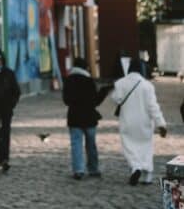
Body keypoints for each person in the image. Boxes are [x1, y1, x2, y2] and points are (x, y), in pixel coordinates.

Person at [112, 57, 167, 185]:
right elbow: (153, 107)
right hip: (144, 122)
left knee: (129, 146)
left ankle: (135, 167)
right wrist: (161, 123)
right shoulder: (147, 86)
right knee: (146, 147)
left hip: (127, 122)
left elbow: (116, 98)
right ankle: (148, 176)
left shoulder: (120, 83)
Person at [62, 57, 111, 179]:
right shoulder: (89, 81)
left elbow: (66, 100)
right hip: (89, 117)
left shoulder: (68, 80)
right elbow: (95, 101)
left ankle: (78, 170)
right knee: (91, 145)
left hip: (74, 117)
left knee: (76, 144)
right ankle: (93, 169)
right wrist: (103, 92)